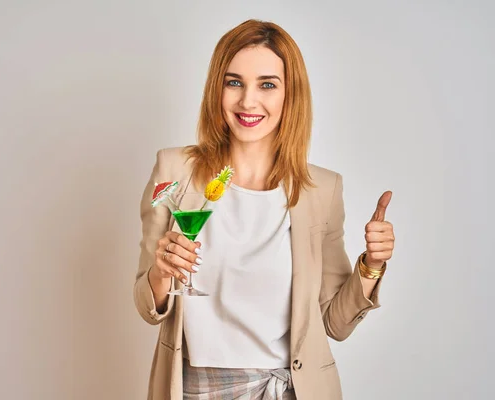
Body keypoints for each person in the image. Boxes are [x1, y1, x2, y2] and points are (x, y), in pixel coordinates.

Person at [134, 19, 396, 400]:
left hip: (289, 389)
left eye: (267, 85)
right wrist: (161, 272)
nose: (248, 101)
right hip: (194, 387)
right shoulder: (175, 171)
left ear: (291, 95)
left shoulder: (322, 189)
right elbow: (147, 307)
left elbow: (334, 324)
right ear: (216, 88)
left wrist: (371, 264)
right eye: (234, 82)